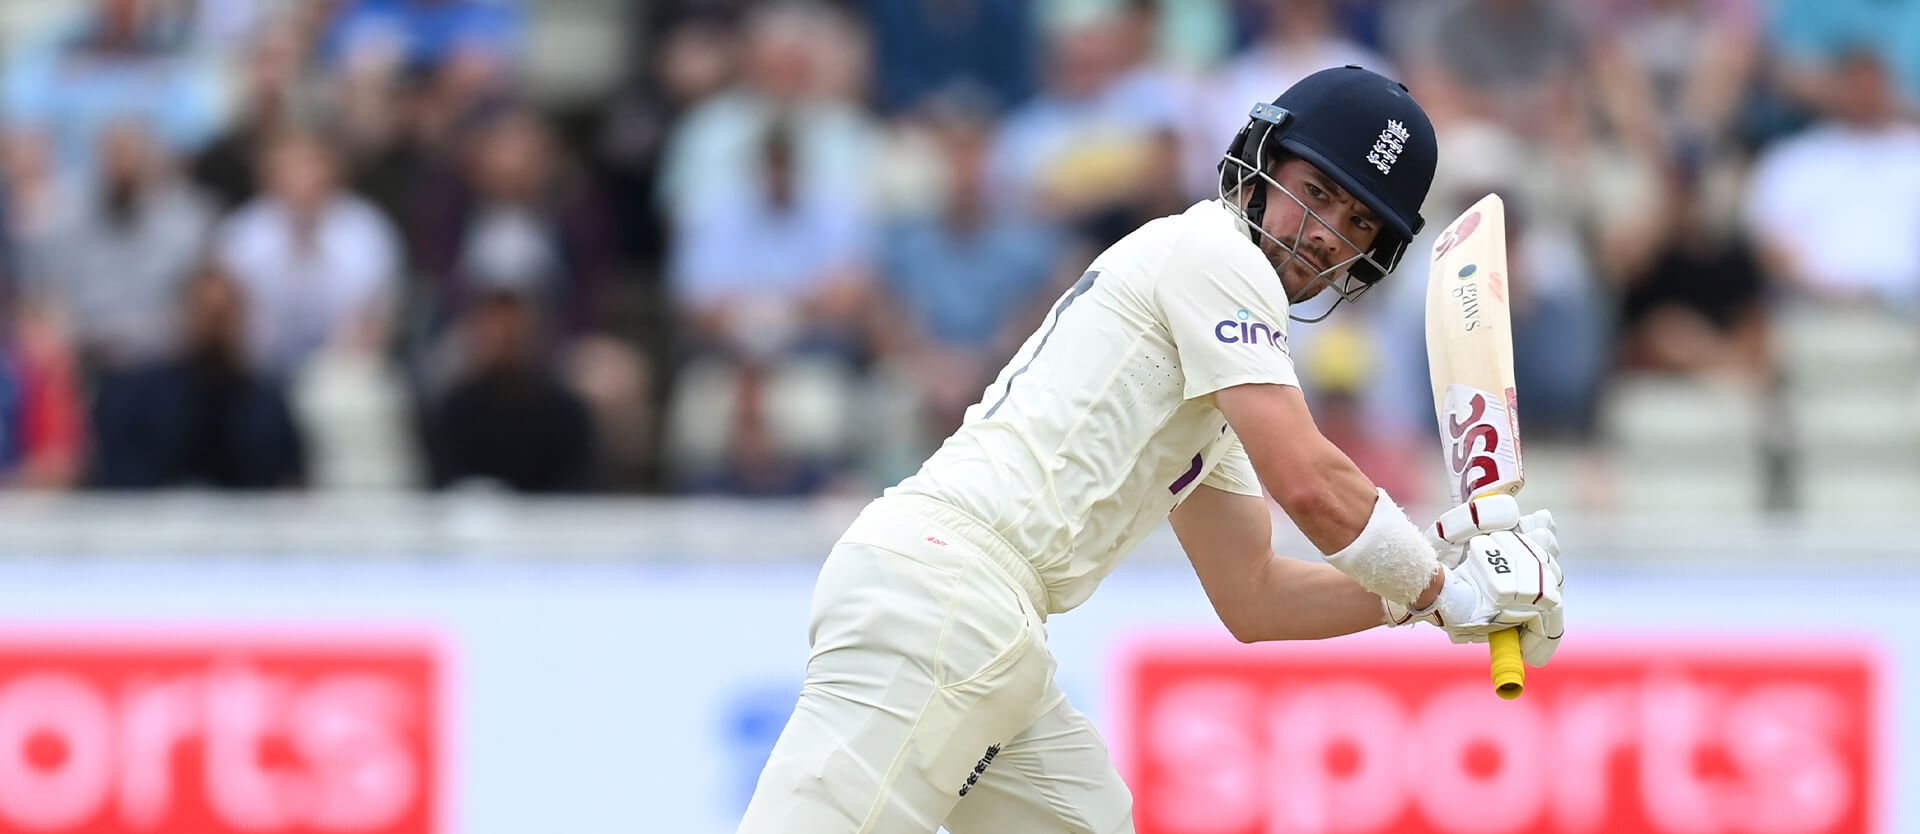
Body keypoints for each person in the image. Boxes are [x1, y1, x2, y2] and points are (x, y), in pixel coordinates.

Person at [737, 66, 1567, 834]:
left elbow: (1256, 596)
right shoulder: (1216, 257)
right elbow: (1311, 485)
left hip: (992, 625)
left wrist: (1437, 593)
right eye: (1315, 193)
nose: (1323, 234)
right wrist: (1441, 589)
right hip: (943, 598)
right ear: (1258, 162)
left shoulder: (1216, 381)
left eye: (1355, 223)